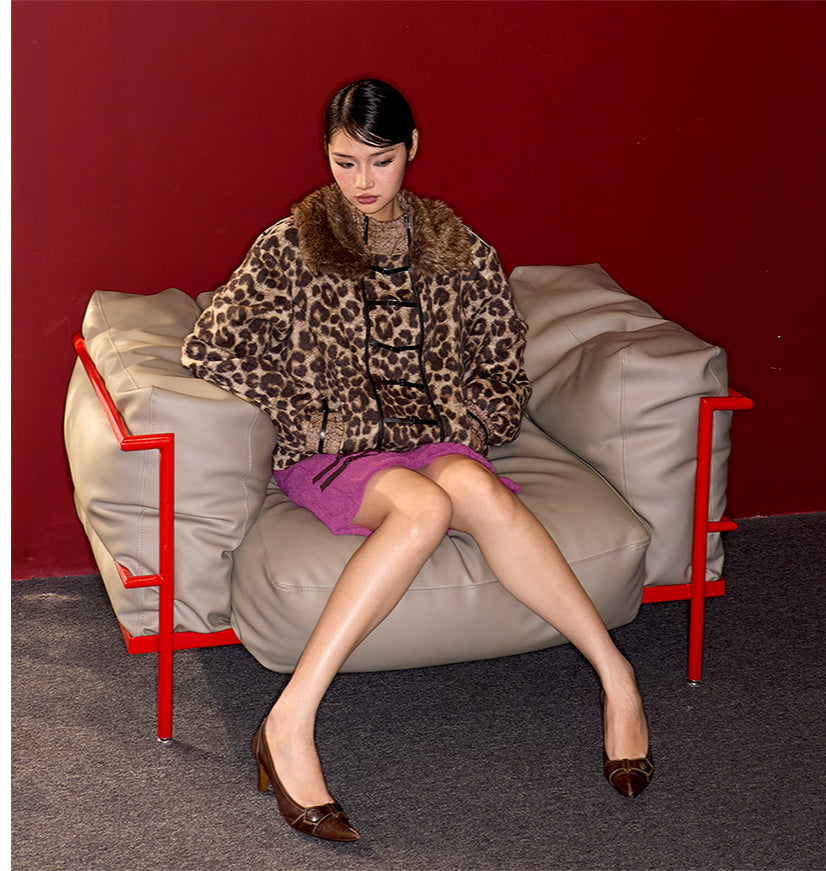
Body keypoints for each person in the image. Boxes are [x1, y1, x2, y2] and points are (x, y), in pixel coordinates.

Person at [181, 78, 653, 843]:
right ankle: (290, 718)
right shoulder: (291, 244)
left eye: (381, 161)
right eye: (344, 162)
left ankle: (615, 675)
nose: (362, 182)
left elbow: (503, 364)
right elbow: (210, 347)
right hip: (334, 450)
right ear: (325, 155)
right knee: (426, 504)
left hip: (431, 440)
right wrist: (310, 408)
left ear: (412, 150)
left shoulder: (456, 248)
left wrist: (462, 421)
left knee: (471, 484)